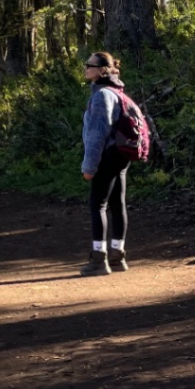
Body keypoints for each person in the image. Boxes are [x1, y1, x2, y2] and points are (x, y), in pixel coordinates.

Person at [80, 51, 132, 276]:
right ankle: (117, 255)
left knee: (98, 205)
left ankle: (99, 260)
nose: (85, 68)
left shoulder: (102, 95)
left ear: (102, 70)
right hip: (121, 155)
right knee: (117, 204)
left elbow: (97, 134)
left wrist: (89, 167)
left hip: (107, 156)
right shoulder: (117, 91)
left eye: (89, 65)